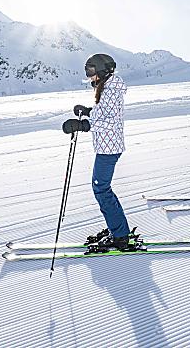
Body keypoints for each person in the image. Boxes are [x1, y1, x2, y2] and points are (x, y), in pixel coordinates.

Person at [62, 53, 133, 250]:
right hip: (107, 146)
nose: (89, 76)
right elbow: (104, 113)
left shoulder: (110, 90)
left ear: (102, 70)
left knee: (101, 189)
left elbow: (111, 122)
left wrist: (84, 125)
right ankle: (118, 229)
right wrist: (88, 111)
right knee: (103, 188)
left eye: (91, 71)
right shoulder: (107, 88)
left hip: (109, 148)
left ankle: (120, 235)